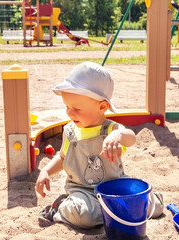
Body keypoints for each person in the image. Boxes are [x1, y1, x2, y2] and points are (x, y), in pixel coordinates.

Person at [35, 61, 163, 229]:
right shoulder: (70, 132)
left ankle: (110, 212)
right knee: (84, 216)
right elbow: (62, 157)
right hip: (83, 191)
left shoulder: (111, 129)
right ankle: (60, 207)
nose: (69, 112)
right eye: (67, 106)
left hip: (115, 187)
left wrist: (117, 135)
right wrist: (46, 171)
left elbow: (131, 138)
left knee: (156, 207)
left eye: (77, 108)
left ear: (102, 107)